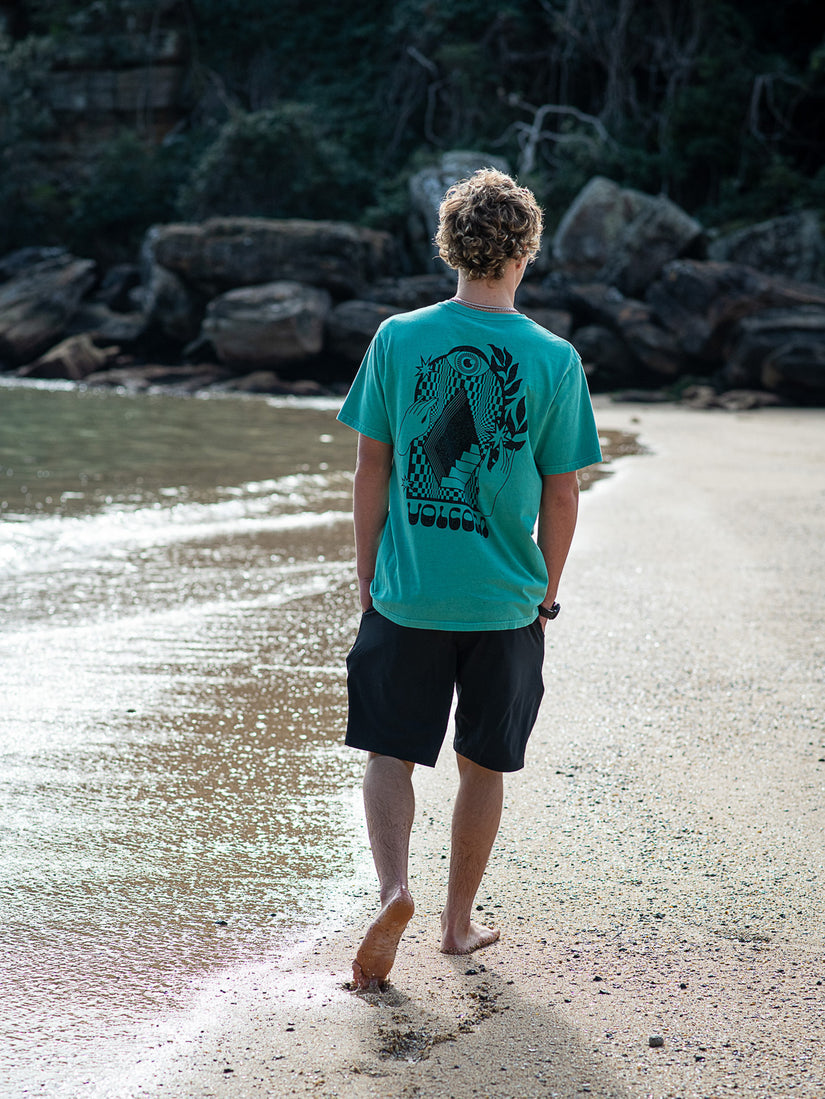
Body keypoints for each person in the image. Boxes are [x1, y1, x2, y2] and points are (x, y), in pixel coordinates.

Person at [337, 168, 602, 990]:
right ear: (526, 253)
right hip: (504, 604)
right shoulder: (553, 358)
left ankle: (394, 889)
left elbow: (371, 466)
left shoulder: (396, 338)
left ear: (448, 246)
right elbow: (561, 492)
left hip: (408, 594)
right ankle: (456, 924)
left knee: (390, 753)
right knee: (482, 764)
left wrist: (367, 574)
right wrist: (545, 591)